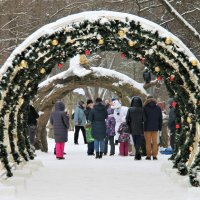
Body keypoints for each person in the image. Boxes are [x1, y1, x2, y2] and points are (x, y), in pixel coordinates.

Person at [143, 96, 163, 160]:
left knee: (148, 142)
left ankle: (148, 156)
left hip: (147, 128)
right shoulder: (158, 108)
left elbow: (143, 119)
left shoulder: (144, 108)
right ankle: (154, 155)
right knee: (155, 142)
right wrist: (160, 127)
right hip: (155, 127)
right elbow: (160, 118)